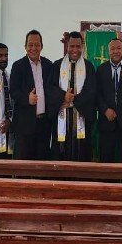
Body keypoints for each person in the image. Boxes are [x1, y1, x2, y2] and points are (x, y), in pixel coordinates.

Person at [47, 32, 97, 161]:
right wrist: (63, 96)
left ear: (82, 47)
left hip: (82, 118)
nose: (75, 50)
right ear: (67, 46)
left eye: (78, 46)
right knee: (61, 151)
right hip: (61, 118)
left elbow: (91, 90)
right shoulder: (57, 66)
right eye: (72, 46)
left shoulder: (89, 67)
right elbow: (50, 88)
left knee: (81, 151)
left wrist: (72, 99)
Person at [10, 30, 53, 160]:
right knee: (23, 165)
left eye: (37, 44)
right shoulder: (18, 66)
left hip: (44, 124)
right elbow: (13, 91)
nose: (34, 48)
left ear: (42, 46)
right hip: (24, 125)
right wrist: (27, 99)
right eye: (30, 45)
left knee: (41, 165)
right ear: (25, 46)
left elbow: (52, 89)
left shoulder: (48, 65)